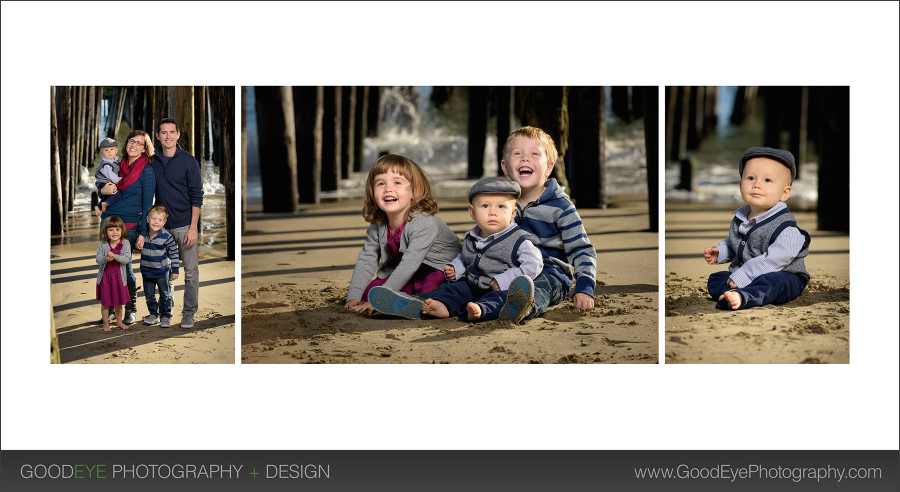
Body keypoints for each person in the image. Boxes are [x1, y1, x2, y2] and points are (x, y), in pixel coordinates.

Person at [368, 177, 543, 323]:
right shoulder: (472, 236)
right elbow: (464, 257)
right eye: (485, 206)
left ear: (513, 213)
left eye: (501, 207)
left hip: (498, 289)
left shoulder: (519, 239)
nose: (492, 212)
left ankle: (480, 311)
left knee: (501, 299)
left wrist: (506, 280)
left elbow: (534, 263)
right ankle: (423, 305)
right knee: (452, 290)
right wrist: (456, 267)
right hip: (471, 285)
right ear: (472, 212)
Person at [498, 126, 597, 322]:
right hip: (510, 271)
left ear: (549, 168)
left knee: (541, 286)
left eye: (534, 153)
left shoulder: (560, 206)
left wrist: (585, 286)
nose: (525, 158)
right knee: (472, 282)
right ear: (505, 167)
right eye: (518, 153)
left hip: (550, 273)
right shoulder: (500, 204)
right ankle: (437, 302)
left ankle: (525, 305)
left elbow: (581, 249)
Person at [345, 154, 462, 315]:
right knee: (372, 289)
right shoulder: (377, 226)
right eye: (380, 183)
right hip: (414, 275)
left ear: (414, 191)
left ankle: (418, 306)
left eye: (397, 182)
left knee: (435, 288)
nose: (388, 188)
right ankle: (404, 300)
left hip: (444, 272)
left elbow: (409, 264)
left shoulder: (424, 222)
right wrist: (353, 298)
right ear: (372, 192)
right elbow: (366, 261)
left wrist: (382, 300)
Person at [704, 147, 811, 310]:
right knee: (716, 278)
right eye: (751, 178)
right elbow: (738, 242)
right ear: (741, 185)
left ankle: (743, 296)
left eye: (767, 180)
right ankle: (731, 293)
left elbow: (776, 259)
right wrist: (722, 251)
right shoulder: (741, 217)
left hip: (783, 275)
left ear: (785, 193)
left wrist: (744, 275)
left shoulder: (787, 228)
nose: (757, 185)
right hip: (746, 274)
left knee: (773, 283)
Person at [138, 118, 204, 329]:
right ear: (157, 136)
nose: (168, 136)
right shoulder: (151, 161)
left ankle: (188, 314)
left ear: (178, 135)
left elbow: (197, 196)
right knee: (165, 274)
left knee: (191, 273)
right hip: (160, 228)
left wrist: (193, 228)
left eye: (171, 132)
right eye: (163, 132)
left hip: (185, 226)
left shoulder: (189, 161)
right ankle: (165, 313)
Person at [98, 130, 156, 325]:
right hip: (108, 222)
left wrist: (142, 232)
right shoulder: (116, 165)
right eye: (131, 141)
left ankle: (130, 307)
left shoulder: (146, 170)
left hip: (129, 226)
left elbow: (147, 204)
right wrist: (101, 190)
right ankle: (112, 309)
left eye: (139, 143)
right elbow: (105, 187)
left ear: (145, 148)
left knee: (125, 266)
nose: (133, 145)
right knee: (107, 266)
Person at [140, 204, 180, 327]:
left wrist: (175, 270)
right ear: (147, 219)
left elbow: (174, 252)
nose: (156, 222)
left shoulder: (166, 236)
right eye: (153, 219)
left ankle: (166, 316)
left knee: (165, 295)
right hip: (146, 270)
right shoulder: (142, 235)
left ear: (164, 222)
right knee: (149, 295)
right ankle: (154, 314)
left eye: (160, 220)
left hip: (162, 271)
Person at [95, 216, 132, 333]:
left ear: (122, 231)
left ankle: (119, 322)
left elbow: (126, 259)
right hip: (105, 278)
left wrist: (115, 256)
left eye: (117, 229)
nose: (114, 233)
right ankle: (106, 324)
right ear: (106, 231)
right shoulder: (103, 244)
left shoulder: (125, 243)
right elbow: (98, 260)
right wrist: (106, 258)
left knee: (119, 302)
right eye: (111, 230)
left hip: (119, 278)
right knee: (105, 303)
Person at [93, 137, 122, 216]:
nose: (109, 152)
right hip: (104, 183)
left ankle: (98, 207)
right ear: (101, 152)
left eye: (112, 149)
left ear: (116, 150)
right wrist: (122, 180)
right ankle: (105, 204)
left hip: (105, 182)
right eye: (106, 150)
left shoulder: (113, 161)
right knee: (117, 194)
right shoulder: (106, 164)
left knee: (108, 196)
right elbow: (112, 176)